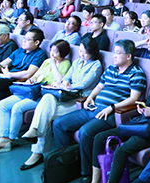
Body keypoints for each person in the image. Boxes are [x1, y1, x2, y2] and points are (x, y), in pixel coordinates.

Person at [53, 39, 147, 183]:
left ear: (128, 56)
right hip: (94, 107)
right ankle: (69, 163)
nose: (114, 56)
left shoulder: (136, 73)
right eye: (114, 52)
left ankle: (86, 173)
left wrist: (112, 108)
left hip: (111, 113)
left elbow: (134, 98)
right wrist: (90, 97)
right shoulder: (111, 69)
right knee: (59, 124)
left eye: (118, 53)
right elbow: (99, 86)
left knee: (86, 132)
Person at [19, 37, 103, 170]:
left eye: (85, 52)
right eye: (80, 51)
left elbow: (84, 84)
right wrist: (65, 82)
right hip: (67, 96)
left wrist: (69, 85)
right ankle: (34, 133)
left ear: (92, 52)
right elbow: (67, 77)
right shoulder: (77, 62)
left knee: (44, 115)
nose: (82, 54)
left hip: (79, 101)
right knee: (47, 98)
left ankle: (36, 149)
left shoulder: (96, 65)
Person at [0, 40, 72, 155]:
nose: (52, 53)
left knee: (17, 108)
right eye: (51, 50)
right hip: (32, 90)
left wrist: (53, 64)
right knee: (2, 105)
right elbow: (36, 75)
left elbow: (60, 80)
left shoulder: (66, 63)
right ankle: (3, 137)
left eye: (55, 51)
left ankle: (10, 139)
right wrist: (31, 80)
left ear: (63, 52)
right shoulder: (46, 61)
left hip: (44, 95)